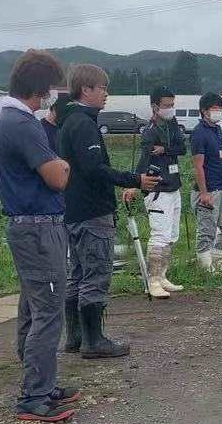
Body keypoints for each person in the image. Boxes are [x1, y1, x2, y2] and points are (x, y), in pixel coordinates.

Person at [0, 50, 82, 423]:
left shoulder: (12, 119)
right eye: (51, 90)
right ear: (39, 88)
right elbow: (57, 177)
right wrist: (64, 163)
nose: (53, 97)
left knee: (33, 307)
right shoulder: (22, 124)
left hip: (31, 227)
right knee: (47, 311)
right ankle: (34, 395)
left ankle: (41, 381)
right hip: (38, 227)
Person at [57, 64, 159, 358]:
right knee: (96, 274)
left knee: (77, 274)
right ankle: (94, 340)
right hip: (92, 212)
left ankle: (75, 337)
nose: (106, 94)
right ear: (86, 89)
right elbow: (94, 169)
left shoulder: (68, 122)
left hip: (73, 212)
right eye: (103, 88)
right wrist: (134, 179)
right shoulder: (84, 123)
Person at [125, 86, 187, 300]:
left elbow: (182, 148)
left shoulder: (173, 125)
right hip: (158, 188)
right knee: (159, 234)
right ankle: (152, 280)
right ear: (155, 106)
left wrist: (165, 150)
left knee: (172, 235)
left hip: (174, 185)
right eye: (166, 105)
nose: (170, 109)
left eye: (172, 105)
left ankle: (162, 275)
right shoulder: (149, 131)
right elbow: (143, 159)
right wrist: (135, 183)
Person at [191, 92, 222, 273]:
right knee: (207, 232)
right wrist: (204, 193)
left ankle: (218, 263)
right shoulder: (198, 133)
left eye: (220, 108)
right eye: (214, 108)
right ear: (204, 111)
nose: (218, 112)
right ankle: (205, 268)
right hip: (208, 192)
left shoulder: (218, 131)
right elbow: (198, 166)